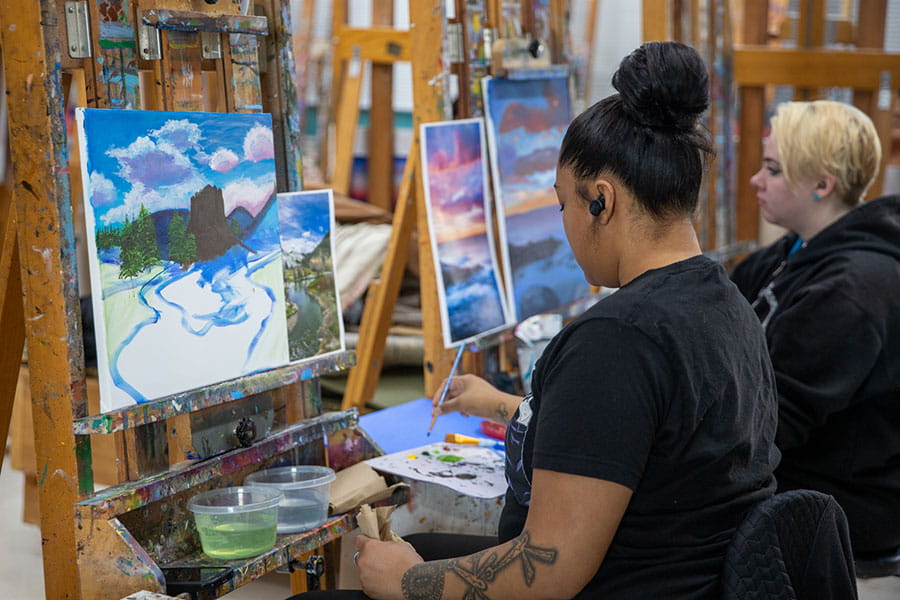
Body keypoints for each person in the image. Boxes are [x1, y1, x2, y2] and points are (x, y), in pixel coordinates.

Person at [296, 41, 779, 600]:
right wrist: (503, 407)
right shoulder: (726, 302)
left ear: (602, 201)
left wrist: (408, 583)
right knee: (421, 549)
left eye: (562, 205)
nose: (562, 226)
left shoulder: (617, 340)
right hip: (690, 579)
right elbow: (637, 436)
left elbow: (550, 568)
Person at [731, 99, 900, 558]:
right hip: (799, 470)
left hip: (841, 506)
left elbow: (765, 428)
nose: (755, 180)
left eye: (773, 169)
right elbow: (720, 311)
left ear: (823, 184)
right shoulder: (794, 251)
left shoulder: (850, 293)